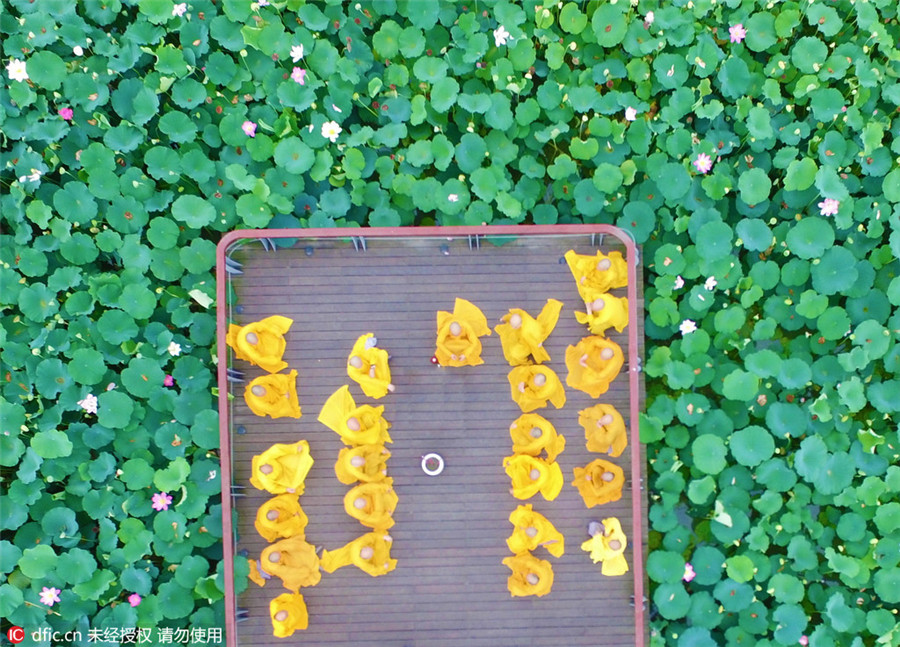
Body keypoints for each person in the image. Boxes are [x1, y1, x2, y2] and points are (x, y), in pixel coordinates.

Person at [318, 385, 392, 446]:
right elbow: (371, 437)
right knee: (374, 439)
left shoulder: (351, 416)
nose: (359, 425)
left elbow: (363, 409)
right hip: (363, 435)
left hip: (359, 424)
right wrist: (377, 425)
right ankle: (383, 426)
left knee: (368, 417)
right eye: (358, 426)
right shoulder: (354, 435)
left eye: (357, 422)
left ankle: (380, 424)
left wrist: (373, 413)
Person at [494, 299, 563, 365]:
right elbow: (514, 315)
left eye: (515, 326)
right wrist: (505, 318)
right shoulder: (522, 315)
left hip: (533, 338)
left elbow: (534, 345)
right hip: (534, 329)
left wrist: (539, 359)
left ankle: (523, 362)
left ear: (520, 324)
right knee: (510, 331)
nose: (513, 327)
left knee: (515, 353)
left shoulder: (526, 333)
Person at [225, 315, 293, 373]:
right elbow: (259, 358)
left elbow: (264, 326)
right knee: (270, 354)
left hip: (260, 337)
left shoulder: (250, 328)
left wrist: (276, 333)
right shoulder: (246, 348)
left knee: (271, 335)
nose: (256, 342)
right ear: (249, 343)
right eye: (254, 342)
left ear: (255, 334)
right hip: (256, 349)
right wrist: (274, 361)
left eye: (256, 340)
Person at [435, 298, 492, 366]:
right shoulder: (446, 328)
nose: (457, 335)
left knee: (471, 348)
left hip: (464, 341)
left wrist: (465, 354)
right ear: (450, 330)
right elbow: (439, 342)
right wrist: (450, 354)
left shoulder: (466, 326)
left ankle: (463, 356)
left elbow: (474, 342)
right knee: (443, 348)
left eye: (458, 332)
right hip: (450, 341)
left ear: (460, 328)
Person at [564, 249, 628, 307]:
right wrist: (585, 275)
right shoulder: (601, 262)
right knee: (581, 264)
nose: (598, 267)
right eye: (598, 265)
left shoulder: (608, 277)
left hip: (597, 282)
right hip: (593, 275)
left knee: (588, 291)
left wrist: (586, 282)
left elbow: (599, 285)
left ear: (605, 269)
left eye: (600, 267)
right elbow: (591, 265)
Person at [250, 440, 314, 495]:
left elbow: (278, 449)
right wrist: (286, 489)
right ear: (266, 474)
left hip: (281, 462)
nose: (272, 469)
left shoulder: (265, 458)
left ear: (266, 463)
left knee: (297, 457)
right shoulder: (264, 480)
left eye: (270, 467)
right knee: (293, 484)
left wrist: (294, 449)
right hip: (281, 477)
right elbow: (273, 489)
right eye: (270, 471)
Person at [319, 531, 397, 576]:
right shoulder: (361, 563)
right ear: (366, 558)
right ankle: (324, 566)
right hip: (352, 555)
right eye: (371, 553)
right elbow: (372, 570)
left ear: (364, 548)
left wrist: (381, 537)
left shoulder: (359, 544)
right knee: (340, 559)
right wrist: (383, 567)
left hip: (353, 550)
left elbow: (369, 537)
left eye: (370, 549)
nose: (372, 549)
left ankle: (323, 564)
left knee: (340, 555)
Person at [347, 333, 395, 398]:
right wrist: (386, 385)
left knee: (380, 355)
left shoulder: (357, 354)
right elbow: (369, 380)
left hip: (371, 366)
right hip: (366, 375)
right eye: (359, 366)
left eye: (361, 363)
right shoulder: (352, 373)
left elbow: (370, 355)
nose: (361, 365)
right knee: (377, 388)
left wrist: (372, 367)